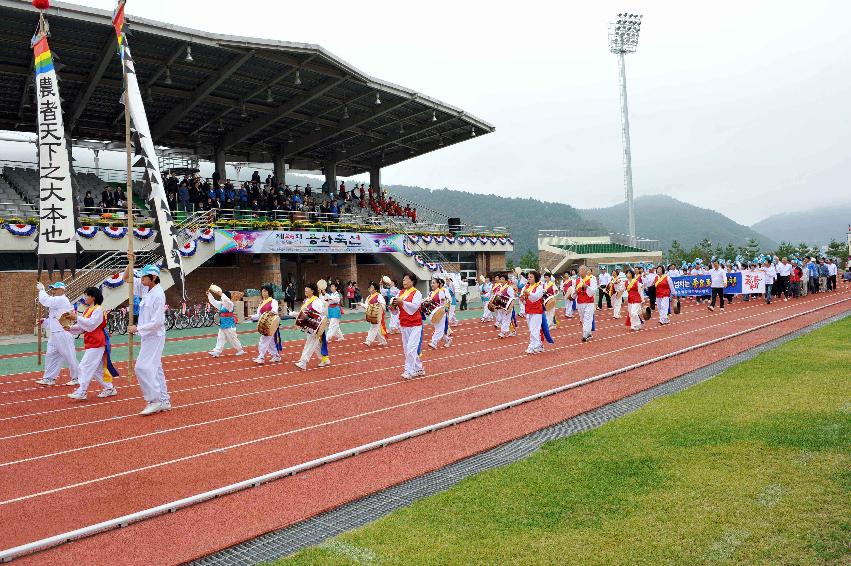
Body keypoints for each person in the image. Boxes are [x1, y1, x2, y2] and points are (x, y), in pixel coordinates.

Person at [126, 263, 171, 415]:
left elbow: (157, 322)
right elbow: (127, 278)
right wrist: (129, 262)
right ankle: (164, 401)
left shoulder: (158, 295)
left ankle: (154, 401)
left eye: (144, 277)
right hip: (147, 336)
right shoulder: (146, 287)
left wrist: (137, 328)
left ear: (153, 278)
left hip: (154, 336)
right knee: (156, 369)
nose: (142, 279)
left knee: (141, 367)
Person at [65, 286, 119, 400]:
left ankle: (82, 391)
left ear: (93, 297)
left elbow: (91, 324)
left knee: (84, 366)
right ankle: (109, 388)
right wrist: (69, 328)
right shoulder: (87, 310)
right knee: (96, 369)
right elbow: (82, 327)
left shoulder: (99, 309)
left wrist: (76, 317)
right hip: (92, 341)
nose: (85, 297)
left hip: (97, 342)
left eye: (87, 295)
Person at [35, 281, 80, 387]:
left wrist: (42, 290)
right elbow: (53, 320)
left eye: (55, 289)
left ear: (62, 290)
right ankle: (49, 378)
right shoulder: (57, 301)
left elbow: (45, 300)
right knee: (51, 355)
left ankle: (77, 377)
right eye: (52, 289)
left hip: (63, 333)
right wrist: (44, 322)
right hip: (55, 333)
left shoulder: (62, 299)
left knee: (69, 356)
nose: (53, 291)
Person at [391, 273, 424, 380]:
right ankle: (419, 368)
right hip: (404, 324)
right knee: (407, 349)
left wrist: (402, 302)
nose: (404, 282)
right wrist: (393, 306)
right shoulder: (400, 292)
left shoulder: (417, 293)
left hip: (415, 324)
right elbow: (396, 311)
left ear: (412, 281)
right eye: (403, 280)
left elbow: (414, 307)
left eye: (406, 280)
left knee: (411, 348)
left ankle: (409, 371)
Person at [295, 281, 331, 370]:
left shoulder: (316, 301)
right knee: (315, 344)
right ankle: (325, 359)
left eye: (308, 288)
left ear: (312, 291)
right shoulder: (306, 300)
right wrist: (295, 314)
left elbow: (319, 312)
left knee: (310, 344)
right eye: (305, 288)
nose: (305, 290)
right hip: (308, 325)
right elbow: (304, 313)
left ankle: (303, 362)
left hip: (315, 326)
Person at [207, 288, 246, 357]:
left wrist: (221, 294)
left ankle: (240, 350)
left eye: (223, 296)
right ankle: (217, 351)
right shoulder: (221, 304)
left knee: (233, 338)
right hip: (223, 324)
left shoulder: (230, 304)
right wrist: (209, 295)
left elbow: (226, 300)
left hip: (229, 324)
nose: (222, 298)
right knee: (220, 338)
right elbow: (214, 302)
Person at [522, 271, 553, 354]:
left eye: (531, 277)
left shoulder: (539, 287)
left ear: (535, 278)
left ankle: (533, 346)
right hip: (528, 310)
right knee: (532, 329)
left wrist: (528, 293)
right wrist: (522, 299)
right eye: (528, 276)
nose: (529, 278)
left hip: (536, 311)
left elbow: (535, 298)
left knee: (534, 329)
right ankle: (539, 345)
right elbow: (524, 299)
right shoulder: (526, 286)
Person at [250, 283, 281, 365]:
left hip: (271, 324)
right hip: (264, 324)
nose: (263, 293)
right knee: (270, 342)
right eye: (262, 291)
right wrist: (252, 317)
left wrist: (268, 313)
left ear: (269, 292)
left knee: (263, 340)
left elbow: (274, 311)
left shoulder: (273, 301)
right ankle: (276, 356)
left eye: (265, 291)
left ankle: (261, 357)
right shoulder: (261, 303)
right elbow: (259, 315)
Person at [427, 278, 451, 349]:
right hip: (433, 313)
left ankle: (434, 343)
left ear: (438, 284)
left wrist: (445, 310)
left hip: (440, 312)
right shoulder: (430, 293)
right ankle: (448, 340)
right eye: (432, 283)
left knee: (439, 328)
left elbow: (444, 303)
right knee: (438, 328)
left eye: (434, 283)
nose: (432, 284)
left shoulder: (441, 292)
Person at [575, 265, 598, 342]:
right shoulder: (577, 281)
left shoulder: (591, 280)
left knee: (587, 318)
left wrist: (587, 287)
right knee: (583, 319)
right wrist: (574, 293)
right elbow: (574, 293)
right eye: (580, 269)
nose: (581, 271)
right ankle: (589, 333)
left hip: (589, 303)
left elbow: (593, 291)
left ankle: (585, 334)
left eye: (582, 269)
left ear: (586, 271)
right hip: (580, 303)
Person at [363, 282, 388, 347]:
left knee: (373, 327)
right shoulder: (368, 297)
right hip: (371, 314)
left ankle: (368, 341)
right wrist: (362, 304)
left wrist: (378, 305)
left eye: (372, 287)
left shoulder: (379, 296)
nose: (370, 288)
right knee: (377, 329)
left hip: (377, 314)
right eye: (370, 287)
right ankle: (383, 341)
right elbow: (367, 306)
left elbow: (383, 304)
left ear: (376, 289)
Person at [496, 273, 516, 338]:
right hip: (500, 306)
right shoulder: (499, 288)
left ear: (506, 280)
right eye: (500, 279)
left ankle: (503, 332)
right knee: (502, 319)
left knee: (506, 319)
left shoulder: (509, 288)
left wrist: (510, 308)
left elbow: (512, 298)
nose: (501, 280)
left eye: (503, 279)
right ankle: (512, 331)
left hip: (507, 306)